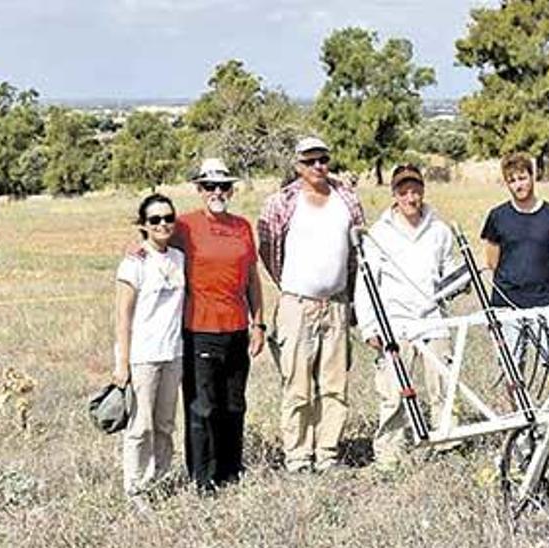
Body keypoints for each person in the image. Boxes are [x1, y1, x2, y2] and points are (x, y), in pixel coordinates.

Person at [258, 137, 365, 473]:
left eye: (323, 159)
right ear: (297, 166)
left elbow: (358, 249)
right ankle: (298, 455)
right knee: (297, 384)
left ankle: (328, 452)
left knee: (334, 384)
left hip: (336, 303)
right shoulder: (281, 202)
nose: (318, 166)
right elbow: (268, 248)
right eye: (310, 161)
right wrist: (293, 286)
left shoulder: (346, 199)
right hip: (297, 304)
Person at [353, 164, 461, 470]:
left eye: (415, 191)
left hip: (433, 320)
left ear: (423, 191)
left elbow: (448, 270)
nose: (410, 197)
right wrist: (369, 326)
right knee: (393, 393)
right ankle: (389, 454)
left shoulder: (439, 230)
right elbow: (366, 283)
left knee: (443, 386)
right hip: (395, 324)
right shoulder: (379, 233)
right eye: (404, 191)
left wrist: (459, 279)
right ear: (394, 194)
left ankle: (446, 443)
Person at [178, 158, 265, 493]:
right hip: (199, 329)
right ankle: (202, 477)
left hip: (236, 329)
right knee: (203, 407)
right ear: (199, 190)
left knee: (234, 403)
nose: (217, 192)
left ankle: (231, 470)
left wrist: (258, 323)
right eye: (210, 186)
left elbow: (252, 279)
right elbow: (152, 242)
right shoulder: (184, 226)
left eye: (224, 186)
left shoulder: (242, 226)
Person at [113, 193, 184, 505]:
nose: (162, 224)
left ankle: (161, 480)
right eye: (154, 220)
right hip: (143, 357)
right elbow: (122, 317)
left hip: (174, 354)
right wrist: (122, 363)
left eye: (168, 218)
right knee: (140, 427)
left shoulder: (180, 258)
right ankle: (136, 489)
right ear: (143, 225)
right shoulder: (134, 263)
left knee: (165, 425)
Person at [480, 153, 549, 362]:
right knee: (511, 367)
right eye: (511, 181)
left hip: (544, 300)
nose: (518, 185)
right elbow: (492, 262)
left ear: (533, 176)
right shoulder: (497, 216)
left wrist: (539, 276)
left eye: (522, 178)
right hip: (506, 302)